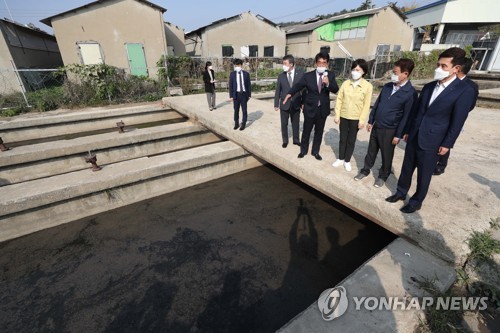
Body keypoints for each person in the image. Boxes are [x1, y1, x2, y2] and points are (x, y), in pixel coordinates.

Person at [386, 47, 476, 213]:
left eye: (444, 66)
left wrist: (447, 143)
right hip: (414, 135)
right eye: (438, 65)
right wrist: (408, 130)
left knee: (424, 173)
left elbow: (457, 121)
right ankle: (400, 192)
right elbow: (417, 112)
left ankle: (416, 200)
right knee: (407, 167)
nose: (438, 69)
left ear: (456, 69)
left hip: (434, 139)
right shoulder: (428, 87)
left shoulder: (464, 91)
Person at [354, 58, 418, 188]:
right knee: (371, 150)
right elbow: (377, 104)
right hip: (377, 126)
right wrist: (371, 121)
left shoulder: (410, 94)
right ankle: (365, 170)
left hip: (391, 130)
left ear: (405, 74)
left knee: (386, 154)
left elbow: (407, 117)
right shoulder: (388, 86)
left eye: (395, 72)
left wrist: (398, 134)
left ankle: (383, 175)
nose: (393, 75)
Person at [283, 52, 339, 160]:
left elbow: (336, 89)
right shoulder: (308, 76)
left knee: (319, 132)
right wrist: (289, 94)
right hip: (309, 108)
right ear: (315, 63)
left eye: (324, 63)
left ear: (327, 64)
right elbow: (298, 86)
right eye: (319, 62)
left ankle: (315, 152)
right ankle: (303, 151)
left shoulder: (330, 75)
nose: (321, 65)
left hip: (322, 109)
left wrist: (327, 84)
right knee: (306, 131)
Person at [433, 57, 479, 175]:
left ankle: (441, 164)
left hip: (453, 118)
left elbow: (470, 105)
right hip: (440, 118)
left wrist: (458, 112)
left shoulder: (470, 86)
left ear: (458, 69)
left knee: (446, 141)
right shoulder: (444, 82)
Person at [332, 59, 373, 172]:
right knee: (342, 138)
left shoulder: (367, 86)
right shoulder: (346, 83)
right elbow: (339, 99)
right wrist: (337, 115)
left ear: (363, 72)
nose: (355, 72)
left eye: (358, 70)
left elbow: (366, 105)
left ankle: (347, 160)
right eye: (354, 69)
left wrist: (362, 120)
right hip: (344, 116)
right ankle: (340, 158)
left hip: (356, 118)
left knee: (351, 140)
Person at [274, 55, 304, 148]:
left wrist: (303, 103)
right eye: (283, 64)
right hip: (284, 104)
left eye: (285, 64)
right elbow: (278, 90)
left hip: (296, 103)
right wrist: (276, 103)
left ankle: (296, 140)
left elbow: (303, 90)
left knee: (296, 123)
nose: (284, 65)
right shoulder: (281, 76)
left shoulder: (300, 74)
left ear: (291, 64)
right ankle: (285, 140)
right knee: (284, 123)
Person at [229, 58, 251, 131]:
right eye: (235, 65)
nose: (237, 67)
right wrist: (231, 96)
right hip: (236, 94)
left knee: (244, 110)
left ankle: (243, 124)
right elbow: (231, 85)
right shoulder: (232, 74)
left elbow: (248, 85)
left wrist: (249, 95)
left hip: (244, 94)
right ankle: (236, 123)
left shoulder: (246, 74)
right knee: (236, 110)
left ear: (241, 65)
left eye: (238, 65)